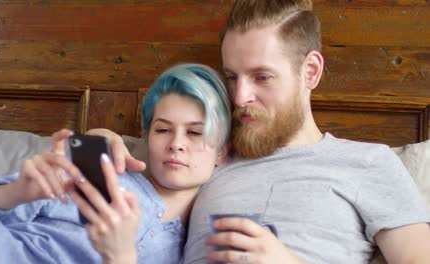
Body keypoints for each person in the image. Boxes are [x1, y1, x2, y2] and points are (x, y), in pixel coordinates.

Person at [89, 0, 430, 263]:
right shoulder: (209, 155)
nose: (239, 98)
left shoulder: (367, 163)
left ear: (309, 71)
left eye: (262, 77)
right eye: (232, 77)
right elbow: (130, 189)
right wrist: (97, 142)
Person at [0, 63, 231, 264]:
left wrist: (120, 256)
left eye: (195, 132)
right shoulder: (104, 170)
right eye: (162, 130)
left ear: (221, 152)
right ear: (147, 136)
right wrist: (16, 191)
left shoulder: (191, 249)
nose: (176, 143)